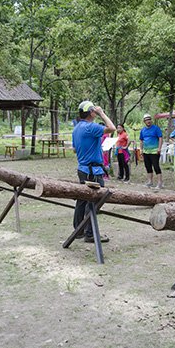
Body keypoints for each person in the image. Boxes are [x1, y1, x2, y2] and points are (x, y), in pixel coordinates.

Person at [72, 101, 116, 242]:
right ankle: (90, 234)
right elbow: (112, 128)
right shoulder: (90, 127)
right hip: (93, 171)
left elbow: (74, 149)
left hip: (82, 168)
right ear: (92, 112)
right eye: (94, 111)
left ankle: (78, 230)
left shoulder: (77, 128)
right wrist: (102, 113)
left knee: (82, 199)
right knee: (94, 201)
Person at [139, 114, 164, 189]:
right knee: (148, 166)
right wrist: (141, 149)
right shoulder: (143, 130)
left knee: (156, 166)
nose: (148, 121)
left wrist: (159, 148)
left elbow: (160, 138)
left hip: (154, 151)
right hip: (146, 151)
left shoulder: (156, 128)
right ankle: (150, 181)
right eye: (146, 120)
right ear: (144, 121)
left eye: (149, 119)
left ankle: (160, 182)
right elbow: (141, 140)